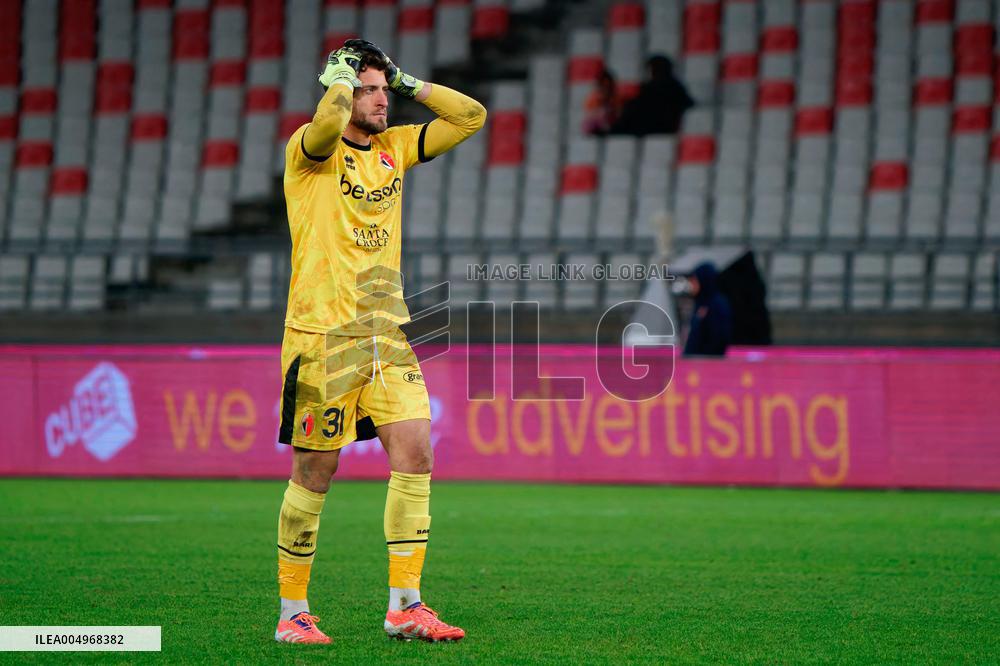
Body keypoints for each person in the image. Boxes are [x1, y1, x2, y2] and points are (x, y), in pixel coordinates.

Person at [273, 39, 486, 645]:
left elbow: (471, 116)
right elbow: (325, 126)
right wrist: (341, 86)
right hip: (321, 336)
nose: (380, 101)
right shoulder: (308, 152)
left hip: (385, 334)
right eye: (368, 89)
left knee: (416, 454)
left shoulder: (393, 148)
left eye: (381, 91)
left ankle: (405, 606)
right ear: (341, 90)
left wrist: (404, 79)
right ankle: (293, 614)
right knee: (316, 472)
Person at [611, 55, 694, 136]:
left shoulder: (662, 88)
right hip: (653, 127)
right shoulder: (676, 87)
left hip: (656, 128)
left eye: (651, 70)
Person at [683, 262, 733, 357]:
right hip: (692, 363)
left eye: (694, 281)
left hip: (709, 364)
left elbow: (719, 337)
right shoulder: (699, 304)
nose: (692, 285)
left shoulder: (717, 305)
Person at [582, 68, 621, 135]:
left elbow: (619, 113)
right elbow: (590, 114)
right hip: (597, 126)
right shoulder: (593, 98)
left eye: (608, 86)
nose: (605, 89)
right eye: (603, 85)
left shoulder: (617, 98)